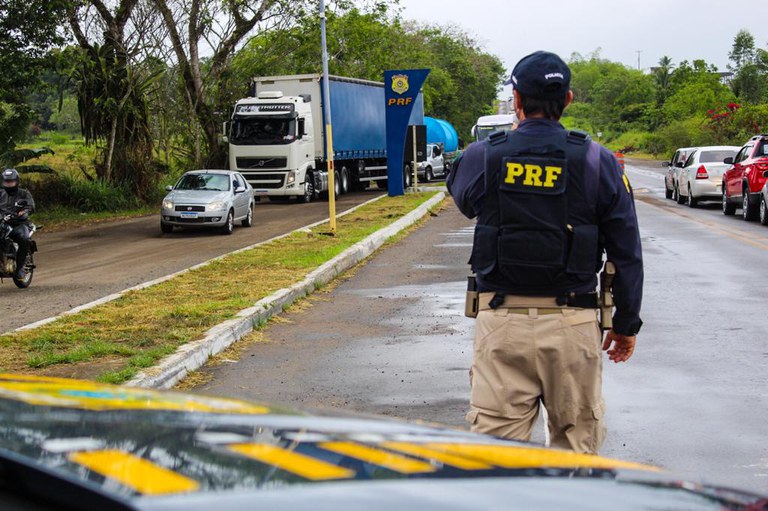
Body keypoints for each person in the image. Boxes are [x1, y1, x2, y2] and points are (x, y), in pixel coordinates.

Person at [447, 51, 643, 454]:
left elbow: (464, 199)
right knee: (575, 453)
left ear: (516, 101)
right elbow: (626, 253)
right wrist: (625, 324)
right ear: (568, 99)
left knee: (496, 461)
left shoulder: (484, 155)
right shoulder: (597, 160)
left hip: (501, 322)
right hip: (574, 324)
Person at [1, 168, 36, 280]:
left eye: (11, 182)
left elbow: (30, 207)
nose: (9, 184)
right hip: (2, 224)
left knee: (24, 238)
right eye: (7, 182)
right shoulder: (0, 194)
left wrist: (23, 213)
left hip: (19, 224)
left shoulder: (24, 193)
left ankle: (20, 268)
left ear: (16, 181)